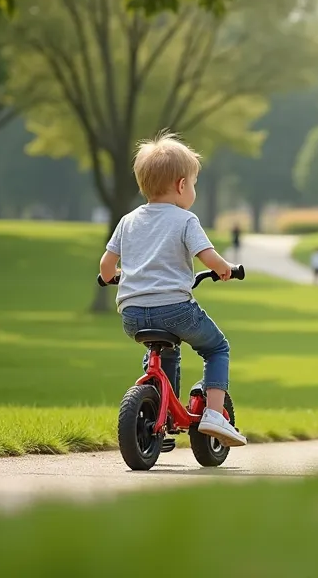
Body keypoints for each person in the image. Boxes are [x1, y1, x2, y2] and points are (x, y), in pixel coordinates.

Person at [99, 133, 247, 447]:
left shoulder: (128, 221)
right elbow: (209, 257)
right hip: (175, 309)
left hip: (132, 314)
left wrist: (114, 278)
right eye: (193, 184)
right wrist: (225, 270)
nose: (193, 190)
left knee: (162, 352)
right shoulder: (185, 219)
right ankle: (215, 415)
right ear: (181, 186)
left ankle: (159, 416)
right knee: (217, 348)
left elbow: (106, 267)